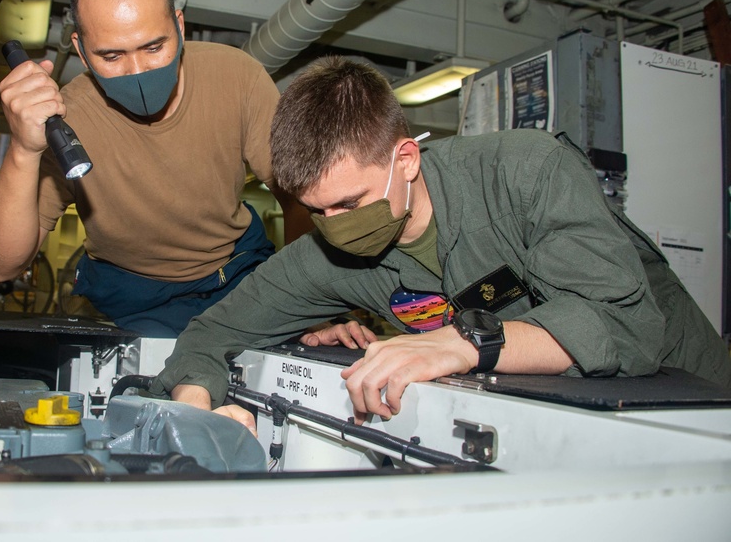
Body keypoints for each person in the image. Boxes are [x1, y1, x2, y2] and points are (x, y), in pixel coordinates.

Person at [151, 56, 731, 427]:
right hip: (545, 422)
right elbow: (211, 333)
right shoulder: (327, 255)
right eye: (316, 209)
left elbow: (626, 327)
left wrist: (461, 344)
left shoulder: (526, 173)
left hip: (691, 404)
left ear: (405, 159)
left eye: (349, 204)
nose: (333, 224)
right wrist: (196, 409)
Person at [0, 0, 309, 337]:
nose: (137, 73)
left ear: (180, 27)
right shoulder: (65, 118)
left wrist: (305, 302)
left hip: (237, 273)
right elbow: (1, 266)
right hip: (131, 298)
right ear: (81, 51)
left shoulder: (237, 77)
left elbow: (299, 198)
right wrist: (22, 149)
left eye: (154, 47)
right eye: (112, 56)